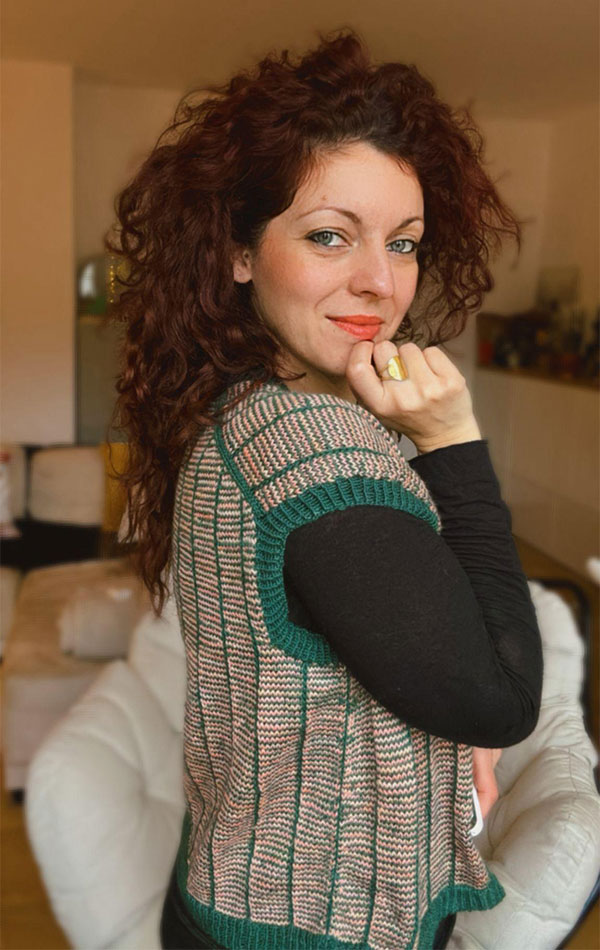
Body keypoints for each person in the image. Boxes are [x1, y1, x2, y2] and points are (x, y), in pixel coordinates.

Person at [105, 27, 543, 950]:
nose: (380, 282)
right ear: (239, 252)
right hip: (315, 930)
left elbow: (391, 644)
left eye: (405, 243)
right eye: (329, 236)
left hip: (239, 897)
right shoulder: (314, 448)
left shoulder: (237, 412)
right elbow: (501, 699)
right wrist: (453, 443)